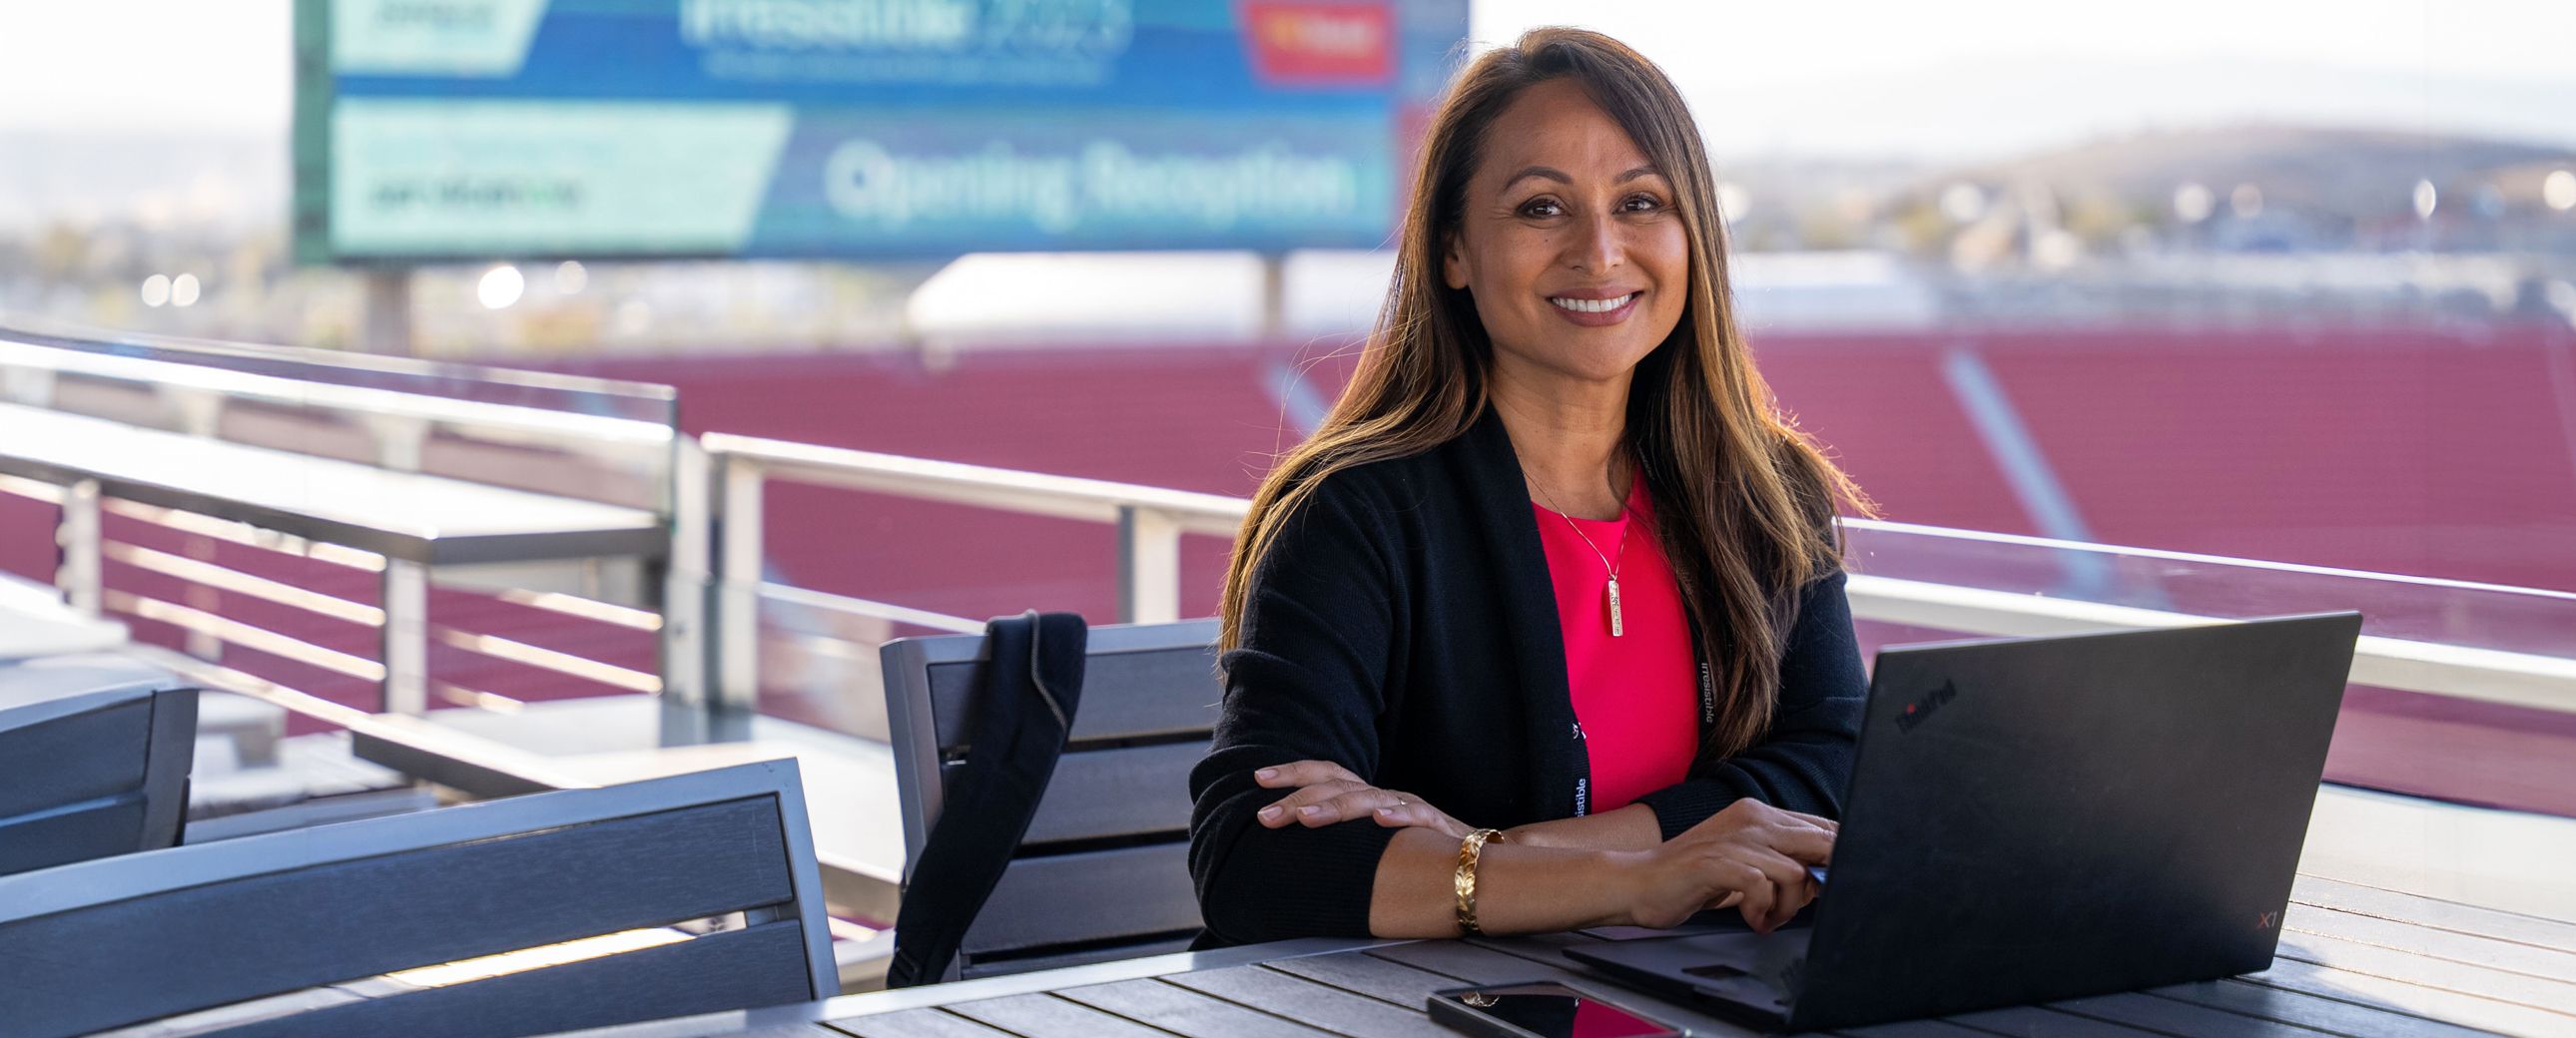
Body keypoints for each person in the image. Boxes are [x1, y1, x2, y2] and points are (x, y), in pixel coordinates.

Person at [1186, 26, 1877, 946]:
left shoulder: (1764, 489)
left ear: (1694, 239)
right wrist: (1639, 877)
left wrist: (1494, 851)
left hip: (1702, 997)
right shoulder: (1354, 514)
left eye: (1639, 202)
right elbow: (1254, 862)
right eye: (1541, 208)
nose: (1599, 251)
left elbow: (1836, 768)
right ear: (1453, 253)